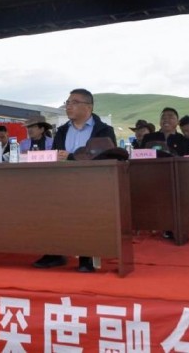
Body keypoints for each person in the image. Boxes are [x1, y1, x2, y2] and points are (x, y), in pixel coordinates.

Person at [34, 88, 116, 272]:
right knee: (52, 209)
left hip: (93, 184)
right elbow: (55, 155)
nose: (68, 106)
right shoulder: (62, 130)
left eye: (74, 102)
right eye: (67, 102)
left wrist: (71, 157)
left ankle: (87, 256)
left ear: (88, 107)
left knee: (87, 213)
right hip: (63, 182)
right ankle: (55, 252)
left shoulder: (104, 130)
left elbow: (107, 157)